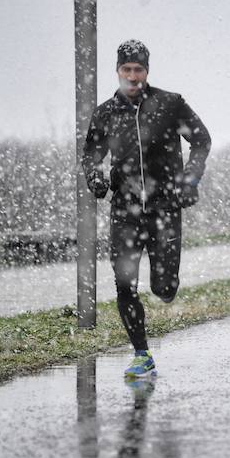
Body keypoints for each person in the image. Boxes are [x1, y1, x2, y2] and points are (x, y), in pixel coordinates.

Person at [82, 39, 211, 378]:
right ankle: (142, 354)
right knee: (125, 284)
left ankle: (166, 285)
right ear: (118, 72)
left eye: (139, 69)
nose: (133, 76)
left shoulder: (170, 104)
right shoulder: (106, 113)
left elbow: (202, 140)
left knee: (164, 288)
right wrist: (94, 177)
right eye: (127, 70)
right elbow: (90, 156)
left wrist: (190, 180)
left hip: (165, 208)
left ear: (147, 71)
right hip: (124, 210)